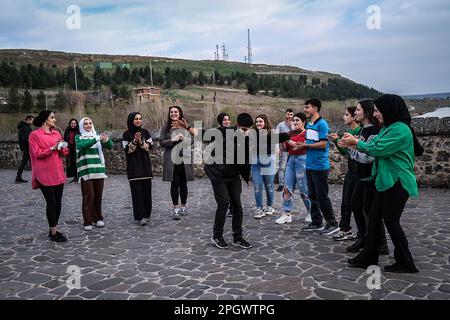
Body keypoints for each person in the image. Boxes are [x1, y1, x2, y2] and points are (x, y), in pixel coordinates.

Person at [340, 94, 423, 273]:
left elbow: (379, 149)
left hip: (398, 182)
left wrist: (356, 142)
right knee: (374, 219)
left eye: (378, 110)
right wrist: (355, 143)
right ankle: (369, 257)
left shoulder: (400, 130)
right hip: (386, 182)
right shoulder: (389, 128)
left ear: (389, 110)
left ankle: (406, 262)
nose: (376, 114)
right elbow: (374, 143)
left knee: (391, 221)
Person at [345, 100, 389, 255]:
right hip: (361, 175)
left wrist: (351, 146)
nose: (355, 112)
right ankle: (364, 238)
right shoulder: (364, 129)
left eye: (358, 110)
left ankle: (380, 244)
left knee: (371, 211)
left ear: (367, 112)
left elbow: (367, 158)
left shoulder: (375, 130)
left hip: (370, 176)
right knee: (356, 206)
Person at [204, 113, 254, 249]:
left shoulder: (249, 139)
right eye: (243, 130)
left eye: (248, 129)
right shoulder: (226, 138)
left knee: (237, 206)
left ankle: (237, 237)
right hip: (218, 175)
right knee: (224, 204)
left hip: (233, 176)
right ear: (237, 126)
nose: (245, 132)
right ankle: (217, 236)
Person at [300, 98, 339, 235]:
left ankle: (332, 222)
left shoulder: (322, 124)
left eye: (307, 107)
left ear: (315, 108)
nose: (305, 110)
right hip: (310, 165)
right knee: (312, 195)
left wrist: (305, 145)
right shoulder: (309, 124)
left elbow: (323, 144)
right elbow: (309, 140)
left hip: (320, 166)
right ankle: (317, 222)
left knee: (322, 196)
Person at [29, 110, 68, 242]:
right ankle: (54, 232)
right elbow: (37, 154)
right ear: (46, 119)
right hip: (44, 174)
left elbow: (64, 152)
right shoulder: (34, 135)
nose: (54, 120)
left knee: (58, 203)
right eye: (52, 117)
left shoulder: (56, 133)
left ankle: (53, 228)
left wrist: (63, 147)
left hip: (58, 172)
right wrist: (52, 148)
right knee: (51, 202)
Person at [327, 107, 360, 240]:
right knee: (345, 202)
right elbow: (347, 154)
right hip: (351, 171)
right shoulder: (350, 131)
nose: (343, 117)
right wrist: (336, 141)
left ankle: (361, 233)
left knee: (356, 205)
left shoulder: (358, 131)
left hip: (358, 172)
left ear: (354, 117)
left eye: (346, 115)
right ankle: (345, 229)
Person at [76, 117, 113, 231]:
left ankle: (98, 218)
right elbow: (82, 146)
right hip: (86, 170)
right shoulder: (79, 137)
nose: (88, 125)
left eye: (90, 123)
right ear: (82, 126)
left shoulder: (96, 135)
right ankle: (87, 220)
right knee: (88, 196)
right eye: (86, 124)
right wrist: (96, 138)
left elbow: (110, 146)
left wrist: (106, 140)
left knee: (98, 195)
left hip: (98, 169)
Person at [251, 114, 290, 219]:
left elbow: (280, 140)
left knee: (269, 186)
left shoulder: (271, 134)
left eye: (261, 121)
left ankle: (269, 206)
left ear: (265, 122)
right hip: (255, 163)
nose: (258, 123)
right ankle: (259, 208)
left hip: (269, 161)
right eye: (257, 121)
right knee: (257, 186)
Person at [159, 106, 195, 220]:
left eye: (176, 112)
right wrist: (173, 140)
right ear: (169, 114)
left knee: (183, 184)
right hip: (171, 160)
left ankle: (183, 207)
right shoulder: (165, 128)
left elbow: (192, 141)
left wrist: (185, 139)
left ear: (180, 114)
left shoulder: (185, 126)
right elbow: (161, 142)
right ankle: (176, 208)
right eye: (172, 112)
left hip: (184, 159)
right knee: (174, 184)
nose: (173, 113)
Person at [276, 112, 311, 224]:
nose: (294, 122)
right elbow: (286, 149)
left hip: (302, 161)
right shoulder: (290, 133)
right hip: (291, 161)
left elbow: (298, 146)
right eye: (294, 120)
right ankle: (287, 213)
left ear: (304, 122)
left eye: (297, 120)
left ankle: (311, 212)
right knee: (287, 188)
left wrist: (286, 139)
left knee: (303, 189)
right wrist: (282, 142)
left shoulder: (307, 133)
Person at [123, 112, 154, 226]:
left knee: (147, 192)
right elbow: (127, 150)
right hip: (134, 168)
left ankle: (147, 215)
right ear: (131, 120)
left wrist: (141, 141)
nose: (138, 121)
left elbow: (149, 147)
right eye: (136, 118)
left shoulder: (145, 132)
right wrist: (135, 141)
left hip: (145, 167)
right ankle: (139, 216)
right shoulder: (126, 134)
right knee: (137, 193)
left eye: (140, 118)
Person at [216, 112, 233, 217]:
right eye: (224, 120)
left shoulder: (233, 131)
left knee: (232, 188)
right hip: (220, 162)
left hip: (232, 162)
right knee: (223, 188)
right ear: (220, 122)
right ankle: (223, 206)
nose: (227, 122)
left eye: (228, 119)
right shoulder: (216, 132)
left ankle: (232, 208)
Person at [276, 109, 294, 191]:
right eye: (288, 114)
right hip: (284, 148)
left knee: (293, 167)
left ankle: (292, 184)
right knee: (282, 167)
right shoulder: (280, 125)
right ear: (285, 115)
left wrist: (291, 126)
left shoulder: (295, 124)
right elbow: (275, 137)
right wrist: (278, 147)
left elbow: (297, 135)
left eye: (291, 114)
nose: (289, 116)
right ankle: (281, 184)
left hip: (294, 149)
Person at [16, 115, 34, 183]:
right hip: (27, 148)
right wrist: (31, 144)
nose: (32, 122)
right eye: (32, 120)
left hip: (26, 147)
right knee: (25, 163)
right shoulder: (25, 128)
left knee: (31, 162)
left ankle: (18, 177)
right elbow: (25, 139)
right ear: (28, 120)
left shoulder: (23, 126)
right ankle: (18, 178)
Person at [63, 119, 80, 183]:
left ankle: (77, 176)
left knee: (76, 162)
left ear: (76, 124)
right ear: (70, 124)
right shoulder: (67, 130)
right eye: (72, 123)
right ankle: (74, 176)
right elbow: (65, 139)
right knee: (71, 163)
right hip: (69, 148)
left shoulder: (78, 131)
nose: (73, 125)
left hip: (76, 148)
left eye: (74, 123)